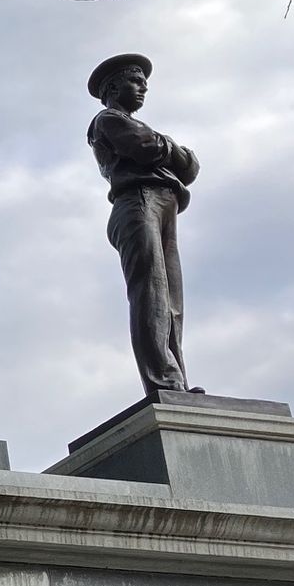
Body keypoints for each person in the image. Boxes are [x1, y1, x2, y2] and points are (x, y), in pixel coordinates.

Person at [86, 53, 205, 398]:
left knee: (170, 298)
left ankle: (176, 379)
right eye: (135, 82)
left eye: (145, 84)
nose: (143, 89)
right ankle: (163, 380)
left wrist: (172, 154)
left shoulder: (126, 121)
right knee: (150, 293)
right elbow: (148, 148)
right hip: (138, 202)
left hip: (163, 204)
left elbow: (189, 170)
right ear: (112, 86)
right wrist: (174, 149)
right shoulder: (107, 120)